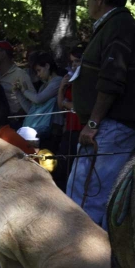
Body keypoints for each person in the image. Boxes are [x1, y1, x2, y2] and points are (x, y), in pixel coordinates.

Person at [66, 0, 135, 229]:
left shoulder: (119, 26)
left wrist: (93, 123)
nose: (87, 3)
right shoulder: (113, 26)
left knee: (89, 196)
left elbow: (113, 78)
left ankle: (84, 259)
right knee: (85, 192)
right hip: (109, 125)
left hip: (110, 126)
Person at [13, 51, 63, 145]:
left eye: (39, 70)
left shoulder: (57, 81)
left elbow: (38, 99)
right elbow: (31, 111)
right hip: (39, 131)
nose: (38, 74)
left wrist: (24, 91)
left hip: (52, 131)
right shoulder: (44, 86)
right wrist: (18, 93)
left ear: (47, 66)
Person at [55, 44, 84, 190]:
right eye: (72, 62)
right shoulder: (69, 81)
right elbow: (61, 105)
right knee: (62, 165)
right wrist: (61, 87)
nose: (74, 65)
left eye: (77, 61)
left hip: (82, 129)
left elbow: (79, 106)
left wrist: (68, 104)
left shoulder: (85, 82)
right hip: (69, 129)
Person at [0, 40, 36, 127]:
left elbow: (33, 99)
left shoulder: (20, 74)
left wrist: (18, 115)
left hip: (18, 122)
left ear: (3, 54)